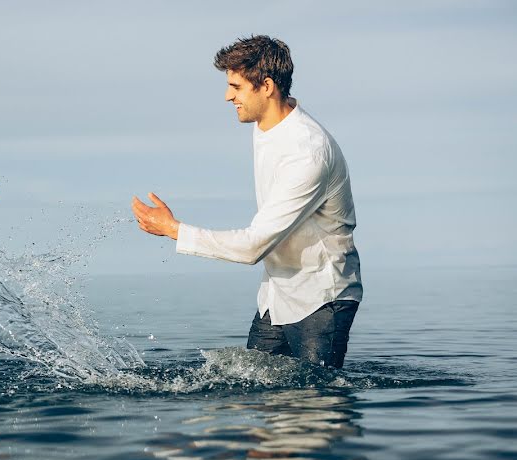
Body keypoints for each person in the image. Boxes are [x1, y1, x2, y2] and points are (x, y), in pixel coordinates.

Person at [131, 36, 362, 368]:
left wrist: (174, 230)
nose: (228, 96)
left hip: (320, 299)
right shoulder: (268, 124)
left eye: (236, 87)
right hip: (278, 293)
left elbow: (254, 246)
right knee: (258, 397)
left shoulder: (307, 152)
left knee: (315, 405)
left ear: (266, 86)